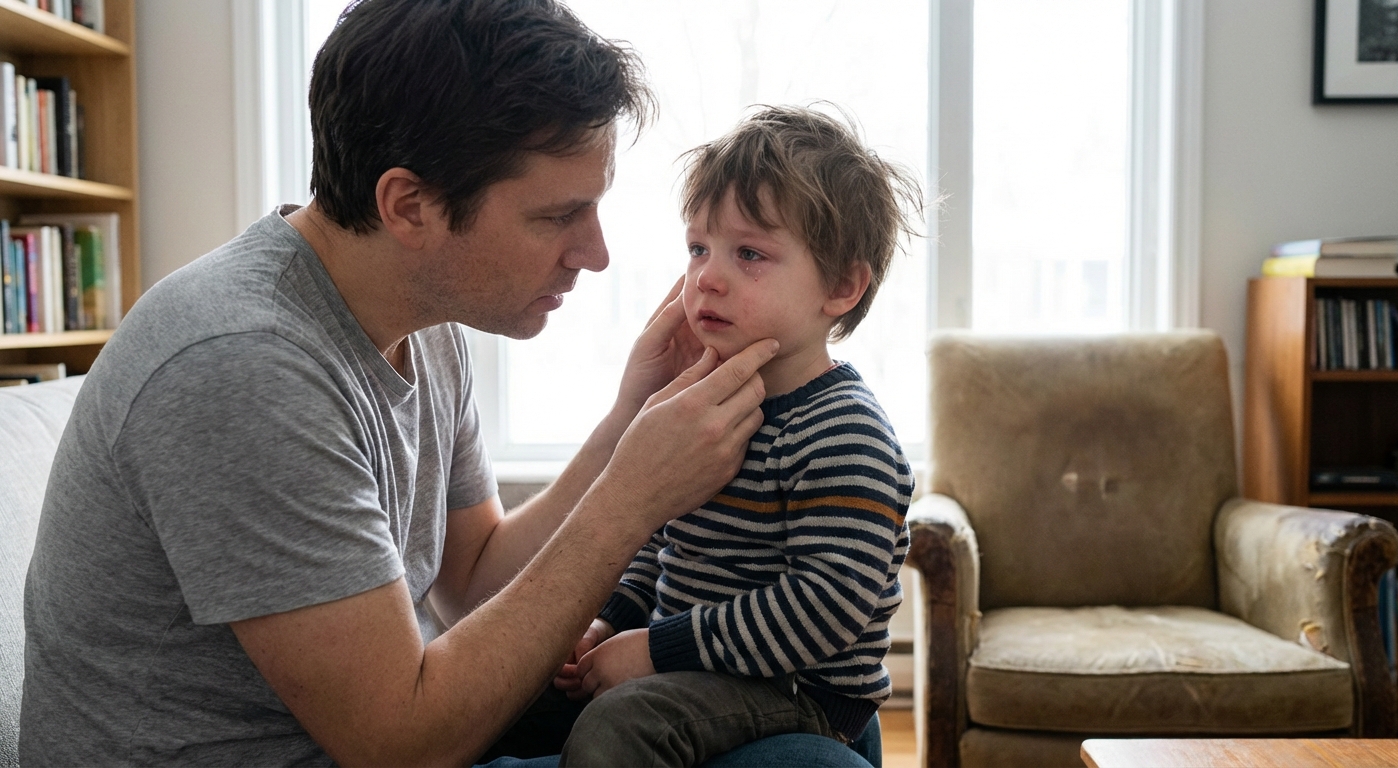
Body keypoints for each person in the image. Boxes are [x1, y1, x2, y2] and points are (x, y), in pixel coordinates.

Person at [17, 1, 796, 765]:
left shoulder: (422, 320)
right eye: (559, 215)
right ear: (409, 205)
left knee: (797, 727)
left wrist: (631, 416)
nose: (594, 254)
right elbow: (401, 743)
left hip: (389, 727)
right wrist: (633, 498)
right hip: (374, 742)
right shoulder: (241, 364)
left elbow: (472, 578)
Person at [551, 105, 924, 766]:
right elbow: (662, 538)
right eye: (699, 248)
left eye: (749, 254)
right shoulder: (708, 406)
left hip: (796, 690)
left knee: (617, 728)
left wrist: (654, 649)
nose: (707, 277)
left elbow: (822, 608)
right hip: (702, 666)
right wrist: (612, 618)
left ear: (841, 286)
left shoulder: (845, 431)